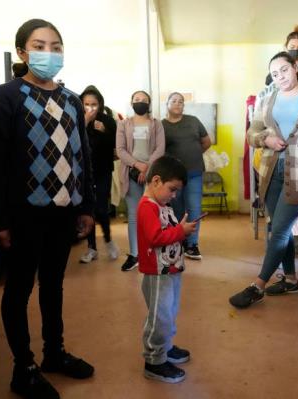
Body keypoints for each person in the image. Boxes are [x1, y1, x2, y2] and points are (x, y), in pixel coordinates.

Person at [0, 19, 96, 399]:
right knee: (18, 289)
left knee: (54, 285)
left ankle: (54, 352)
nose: (49, 52)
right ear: (22, 52)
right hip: (23, 214)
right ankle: (23, 366)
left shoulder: (72, 100)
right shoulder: (6, 97)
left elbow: (83, 157)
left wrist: (85, 206)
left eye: (56, 46)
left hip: (63, 211)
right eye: (40, 45)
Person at [229, 51, 298, 309]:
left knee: (278, 229)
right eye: (275, 73)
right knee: (280, 227)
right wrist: (265, 140)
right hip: (270, 171)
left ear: (295, 67)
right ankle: (290, 280)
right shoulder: (267, 100)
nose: (280, 76)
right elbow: (252, 133)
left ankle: (257, 286)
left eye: (284, 70)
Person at [137, 155, 197, 383]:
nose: (174, 195)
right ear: (156, 181)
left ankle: (166, 347)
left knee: (169, 312)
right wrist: (181, 231)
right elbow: (155, 237)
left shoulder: (161, 204)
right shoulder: (147, 207)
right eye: (172, 190)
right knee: (159, 317)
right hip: (157, 273)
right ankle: (154, 360)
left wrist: (180, 228)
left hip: (170, 271)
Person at [116, 90, 165, 272]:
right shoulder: (123, 124)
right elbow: (120, 150)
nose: (140, 102)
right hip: (130, 173)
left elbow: (160, 148)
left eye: (144, 100)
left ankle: (155, 250)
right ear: (131, 102)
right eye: (137, 99)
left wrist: (147, 167)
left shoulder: (156, 124)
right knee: (134, 215)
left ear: (149, 103)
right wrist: (137, 165)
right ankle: (135, 254)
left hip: (153, 175)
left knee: (154, 213)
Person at [162, 92, 211, 260]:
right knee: (176, 210)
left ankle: (192, 244)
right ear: (167, 104)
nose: (178, 104)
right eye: (174, 101)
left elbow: (206, 142)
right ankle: (178, 240)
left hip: (195, 172)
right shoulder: (161, 126)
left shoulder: (193, 121)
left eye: (181, 101)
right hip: (173, 177)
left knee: (194, 208)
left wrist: (195, 154)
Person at [78, 85, 120, 263]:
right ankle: (91, 248)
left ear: (100, 104)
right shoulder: (77, 120)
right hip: (83, 172)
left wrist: (104, 131)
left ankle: (109, 240)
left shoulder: (108, 121)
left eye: (94, 104)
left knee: (102, 209)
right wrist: (85, 122)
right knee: (88, 210)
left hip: (103, 170)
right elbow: (73, 142)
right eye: (86, 104)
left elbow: (116, 147)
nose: (90, 108)